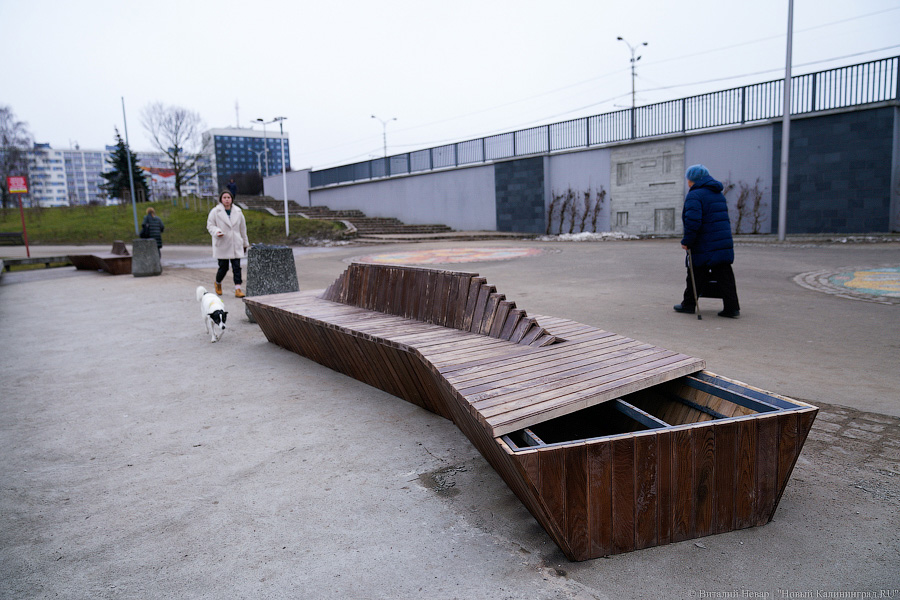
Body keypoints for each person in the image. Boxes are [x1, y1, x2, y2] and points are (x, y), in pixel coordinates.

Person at [673, 164, 740, 318]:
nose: (687, 182)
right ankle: (732, 308)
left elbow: (693, 222)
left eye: (688, 179)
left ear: (693, 180)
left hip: (704, 244)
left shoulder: (695, 195)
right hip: (722, 242)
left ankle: (689, 304)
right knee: (725, 275)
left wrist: (687, 241)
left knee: (695, 273)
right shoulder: (718, 193)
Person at [207, 190, 250, 298]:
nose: (227, 200)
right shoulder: (215, 212)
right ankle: (218, 283)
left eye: (228, 197)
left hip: (236, 243)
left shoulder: (238, 212)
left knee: (237, 267)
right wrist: (217, 232)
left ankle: (238, 289)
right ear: (221, 199)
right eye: (224, 197)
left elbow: (243, 229)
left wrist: (245, 243)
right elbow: (210, 225)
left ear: (232, 199)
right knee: (223, 267)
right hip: (222, 244)